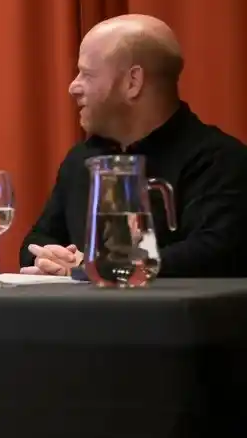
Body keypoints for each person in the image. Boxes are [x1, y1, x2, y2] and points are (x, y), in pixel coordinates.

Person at [20, 14, 247, 278]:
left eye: (87, 74)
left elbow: (214, 252)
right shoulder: (81, 159)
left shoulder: (218, 160)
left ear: (133, 82)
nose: (73, 87)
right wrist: (50, 256)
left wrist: (101, 268)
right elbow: (38, 239)